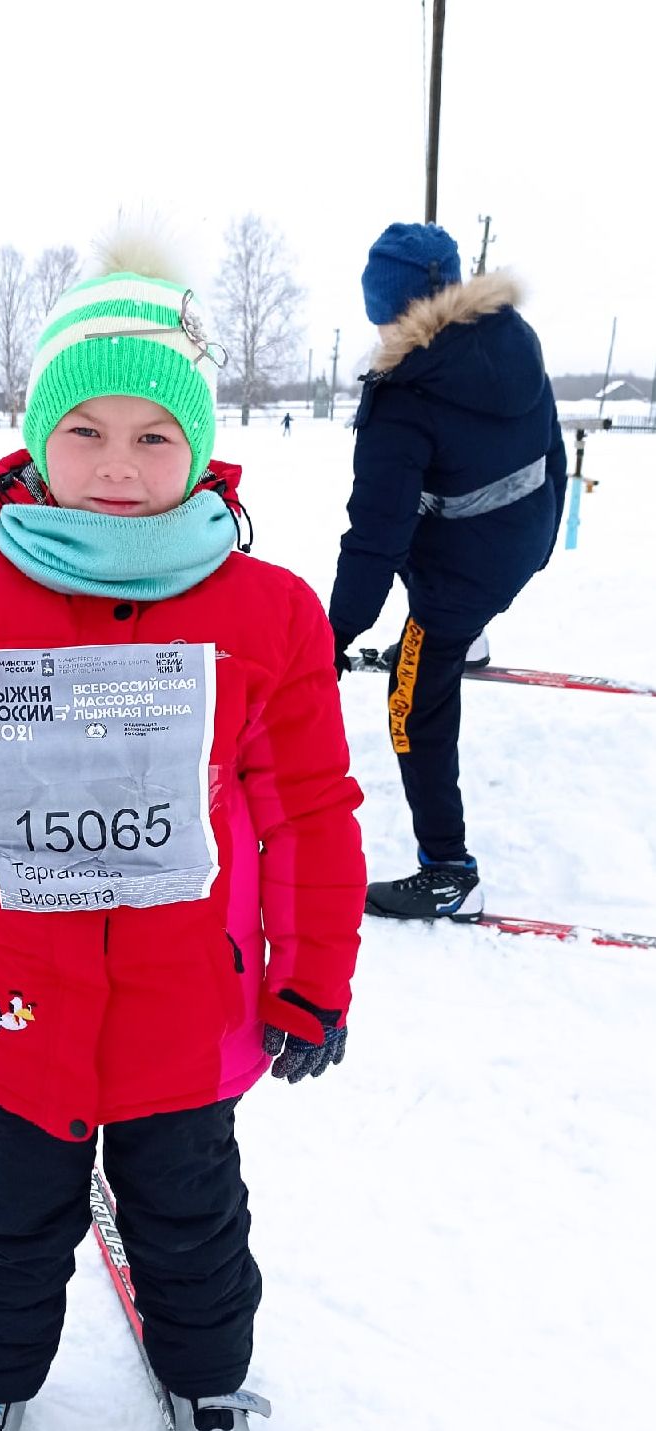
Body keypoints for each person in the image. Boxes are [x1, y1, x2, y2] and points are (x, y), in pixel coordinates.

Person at [0, 242, 366, 1431]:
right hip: (12, 1004)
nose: (119, 467)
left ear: (199, 447)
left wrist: (313, 975)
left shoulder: (267, 613)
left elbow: (308, 812)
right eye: (84, 431)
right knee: (3, 1224)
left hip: (187, 1011)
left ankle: (208, 1390)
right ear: (37, 438)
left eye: (153, 435)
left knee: (192, 1224)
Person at [328, 222, 567, 922]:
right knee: (444, 512)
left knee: (412, 705)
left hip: (461, 578)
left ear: (386, 307)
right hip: (524, 539)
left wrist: (333, 635)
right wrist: (537, 541)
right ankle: (469, 634)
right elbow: (550, 447)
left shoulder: (404, 396)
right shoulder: (511, 337)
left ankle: (448, 872)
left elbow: (376, 537)